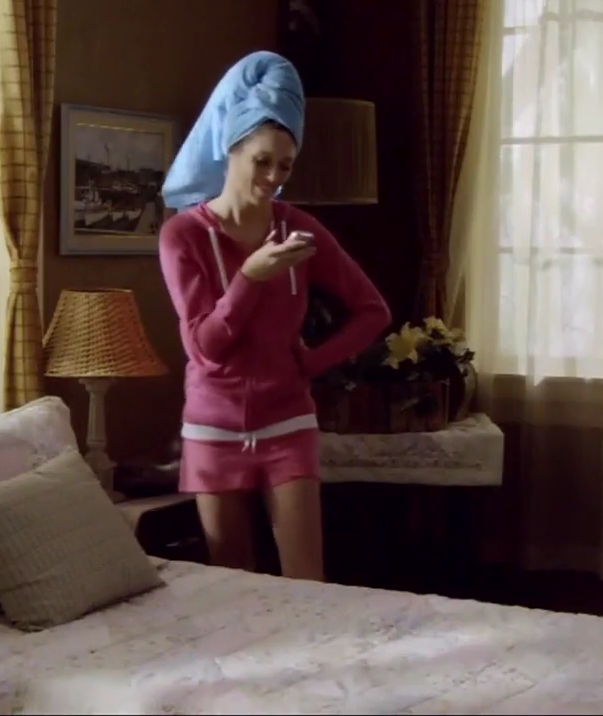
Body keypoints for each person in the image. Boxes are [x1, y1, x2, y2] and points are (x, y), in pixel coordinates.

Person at [157, 51, 390, 581]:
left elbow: (373, 310)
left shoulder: (297, 230)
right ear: (230, 147)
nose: (273, 177)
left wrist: (309, 363)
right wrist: (250, 276)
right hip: (212, 428)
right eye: (262, 161)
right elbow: (204, 347)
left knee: (307, 584)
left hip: (288, 423)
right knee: (232, 581)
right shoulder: (182, 236)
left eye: (285, 165)